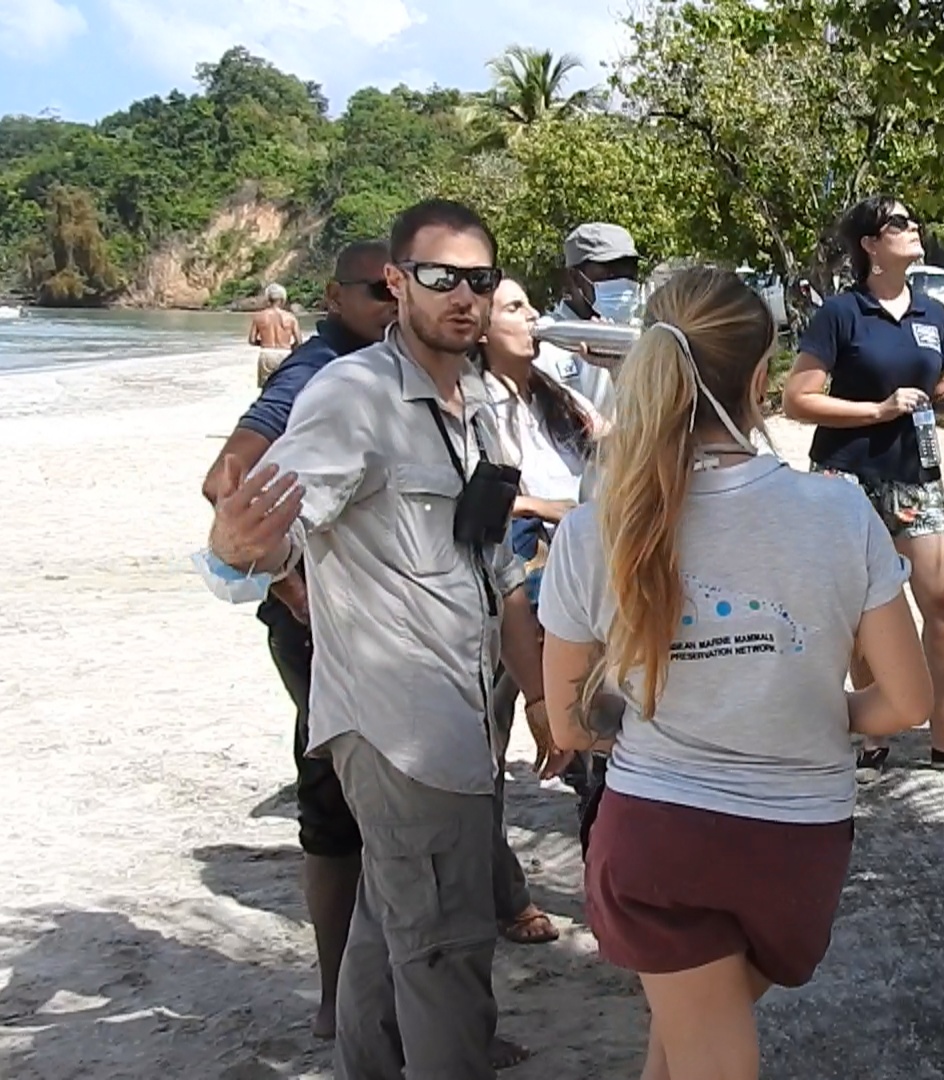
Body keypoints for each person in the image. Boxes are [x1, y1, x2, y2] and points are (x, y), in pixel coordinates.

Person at [536, 266, 934, 1079]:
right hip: (794, 850)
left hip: (653, 845)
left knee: (692, 1042)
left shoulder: (589, 532)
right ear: (761, 378)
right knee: (693, 1043)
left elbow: (572, 724)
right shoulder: (837, 510)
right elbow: (907, 701)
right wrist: (806, 710)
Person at [204, 199, 547, 1078]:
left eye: (479, 280)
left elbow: (493, 559)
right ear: (397, 283)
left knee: (390, 925)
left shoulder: (475, 398)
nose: (462, 297)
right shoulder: (351, 396)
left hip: (459, 714)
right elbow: (270, 531)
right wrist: (238, 553)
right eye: (439, 278)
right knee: (444, 949)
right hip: (402, 726)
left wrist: (540, 695)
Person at [199, 239, 394, 1040]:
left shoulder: (397, 367)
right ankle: (335, 995)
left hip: (382, 627)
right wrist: (290, 582)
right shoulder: (315, 371)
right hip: (319, 627)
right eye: (373, 292)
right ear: (333, 295)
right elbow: (225, 479)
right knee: (337, 804)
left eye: (397, 288)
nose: (389, 304)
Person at [785, 196, 944, 779]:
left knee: (942, 603)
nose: (914, 229)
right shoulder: (841, 312)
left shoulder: (934, 313)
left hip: (916, 477)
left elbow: (939, 400)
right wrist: (876, 410)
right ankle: (873, 735)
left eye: (915, 220)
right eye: (899, 223)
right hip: (846, 479)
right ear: (869, 244)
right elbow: (798, 399)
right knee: (863, 609)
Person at [479, 277, 607, 947]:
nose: (534, 318)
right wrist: (547, 512)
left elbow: (622, 470)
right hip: (508, 596)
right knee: (487, 754)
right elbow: (493, 512)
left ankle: (610, 901)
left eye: (531, 306)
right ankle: (505, 895)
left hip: (573, 589)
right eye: (515, 308)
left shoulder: (562, 398)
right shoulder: (471, 407)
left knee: (593, 750)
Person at [535, 222, 644, 416]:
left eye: (630, 272)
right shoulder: (546, 343)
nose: (624, 282)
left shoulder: (640, 338)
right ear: (574, 278)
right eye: (610, 273)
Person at [251, 282, 302, 387]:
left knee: (266, 387)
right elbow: (299, 342)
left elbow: (251, 340)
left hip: (267, 353)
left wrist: (264, 342)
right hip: (285, 353)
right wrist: (290, 346)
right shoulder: (291, 318)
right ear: (282, 299)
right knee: (284, 385)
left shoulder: (259, 317)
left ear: (268, 298)